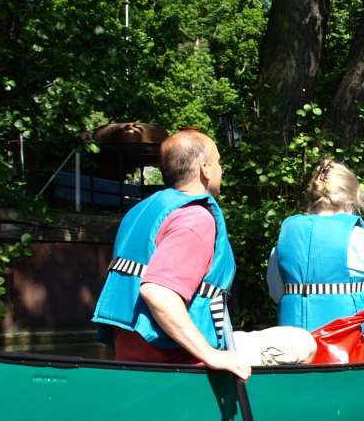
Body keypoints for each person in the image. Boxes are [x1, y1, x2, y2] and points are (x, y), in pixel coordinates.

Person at [91, 129, 252, 379]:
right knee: (300, 343)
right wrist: (211, 354)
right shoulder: (195, 218)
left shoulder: (141, 211)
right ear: (205, 168)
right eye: (219, 162)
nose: (222, 169)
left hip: (134, 360)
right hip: (176, 360)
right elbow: (158, 292)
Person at [268, 159, 364, 330]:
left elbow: (276, 293)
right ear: (350, 203)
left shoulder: (285, 240)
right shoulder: (360, 239)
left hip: (296, 344)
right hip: (353, 346)